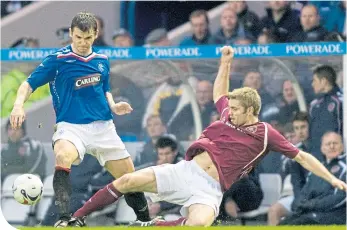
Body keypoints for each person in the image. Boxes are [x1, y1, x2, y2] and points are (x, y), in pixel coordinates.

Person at [70, 46, 347, 227]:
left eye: (236, 109)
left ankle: (154, 224)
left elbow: (304, 157)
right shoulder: (228, 114)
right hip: (185, 171)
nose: (229, 111)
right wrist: (225, 62)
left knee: (198, 224)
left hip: (209, 189)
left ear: (250, 110)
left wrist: (332, 178)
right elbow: (219, 93)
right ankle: (75, 219)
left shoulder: (265, 134)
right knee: (128, 180)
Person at [9, 12, 150, 228]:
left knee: (129, 178)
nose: (83, 43)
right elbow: (28, 84)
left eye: (88, 38)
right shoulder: (57, 61)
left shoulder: (102, 60)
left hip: (104, 128)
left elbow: (104, 88)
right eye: (78, 37)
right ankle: (65, 219)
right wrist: (18, 105)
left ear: (95, 34)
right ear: (71, 34)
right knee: (63, 156)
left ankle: (145, 221)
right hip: (71, 127)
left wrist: (113, 105)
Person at [279, 132, 346, 225]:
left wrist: (312, 205)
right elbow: (305, 192)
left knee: (298, 224)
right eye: (328, 144)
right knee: (283, 224)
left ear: (342, 146)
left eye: (335, 143)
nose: (331, 146)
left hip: (333, 214)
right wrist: (299, 203)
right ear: (322, 148)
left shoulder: (344, 166)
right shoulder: (317, 168)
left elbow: (341, 198)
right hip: (312, 213)